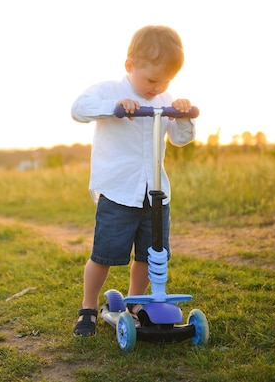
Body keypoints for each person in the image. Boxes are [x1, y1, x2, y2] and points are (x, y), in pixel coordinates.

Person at [71, 25, 197, 336]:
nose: (158, 87)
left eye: (166, 80)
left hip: (155, 193)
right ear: (130, 66)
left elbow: (182, 139)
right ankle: (88, 307)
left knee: (149, 254)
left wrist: (182, 116)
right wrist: (114, 109)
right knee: (105, 254)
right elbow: (78, 109)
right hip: (118, 191)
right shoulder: (110, 91)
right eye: (152, 79)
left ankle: (134, 302)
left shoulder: (164, 99)